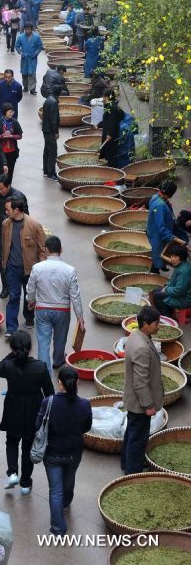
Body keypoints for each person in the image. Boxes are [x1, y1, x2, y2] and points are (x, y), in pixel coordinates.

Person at [0, 331, 54, 494]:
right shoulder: (40, 367)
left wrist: (10, 355)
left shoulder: (8, 366)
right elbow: (50, 393)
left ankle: (12, 473)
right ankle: (26, 483)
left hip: (13, 409)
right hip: (33, 412)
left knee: (12, 442)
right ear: (30, 347)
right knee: (28, 446)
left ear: (13, 348)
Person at [36, 366, 92, 536]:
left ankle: (58, 528)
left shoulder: (48, 403)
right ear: (78, 382)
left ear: (59, 383)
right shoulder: (84, 404)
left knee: (55, 491)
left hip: (52, 453)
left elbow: (38, 426)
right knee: (69, 479)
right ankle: (66, 503)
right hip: (74, 452)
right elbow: (86, 427)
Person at [27, 235, 84, 373]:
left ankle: (44, 370)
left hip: (42, 309)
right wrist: (80, 316)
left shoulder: (37, 268)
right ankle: (58, 361)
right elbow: (75, 295)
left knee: (43, 341)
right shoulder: (70, 270)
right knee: (60, 338)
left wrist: (31, 301)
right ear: (61, 249)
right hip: (62, 311)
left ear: (46, 250)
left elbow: (30, 288)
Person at [121, 306, 164, 475]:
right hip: (139, 403)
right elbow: (140, 382)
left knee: (131, 433)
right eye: (155, 323)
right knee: (138, 439)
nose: (158, 326)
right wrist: (148, 405)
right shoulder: (142, 348)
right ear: (145, 324)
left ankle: (126, 463)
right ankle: (133, 473)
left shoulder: (136, 336)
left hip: (133, 400)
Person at [2, 197, 46, 336]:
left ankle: (29, 317)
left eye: (8, 209)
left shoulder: (34, 225)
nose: (6, 212)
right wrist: (5, 263)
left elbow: (43, 248)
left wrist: (41, 267)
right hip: (12, 268)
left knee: (29, 296)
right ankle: (11, 328)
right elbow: (4, 244)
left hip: (30, 268)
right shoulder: (6, 224)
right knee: (14, 296)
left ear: (16, 210)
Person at [0, 174, 28, 299]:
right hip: (0, 234)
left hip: (17, 233)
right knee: (2, 261)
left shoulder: (19, 197)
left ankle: (20, 284)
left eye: (2, 188)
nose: (0, 191)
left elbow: (26, 215)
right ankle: (6, 286)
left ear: (8, 186)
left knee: (19, 259)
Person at [147, 181, 188, 273]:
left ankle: (162, 266)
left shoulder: (155, 197)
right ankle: (154, 273)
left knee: (161, 251)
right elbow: (160, 227)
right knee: (158, 253)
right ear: (170, 194)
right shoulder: (160, 206)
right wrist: (171, 237)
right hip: (158, 234)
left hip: (153, 230)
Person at [152, 244, 191, 317]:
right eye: (172, 256)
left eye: (175, 257)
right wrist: (167, 286)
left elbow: (178, 291)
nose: (172, 259)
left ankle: (167, 318)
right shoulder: (180, 265)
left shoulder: (184, 271)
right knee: (155, 291)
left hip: (185, 299)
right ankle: (169, 313)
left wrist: (166, 290)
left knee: (157, 296)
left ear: (181, 258)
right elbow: (173, 281)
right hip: (180, 294)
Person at [0, 102, 23, 182]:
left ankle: (8, 187)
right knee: (2, 171)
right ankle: (1, 187)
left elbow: (20, 136)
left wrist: (11, 136)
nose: (11, 113)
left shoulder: (15, 122)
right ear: (5, 112)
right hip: (1, 152)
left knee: (10, 171)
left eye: (12, 112)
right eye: (10, 112)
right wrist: (2, 136)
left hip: (12, 151)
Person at [15, 23, 43, 95]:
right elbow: (17, 46)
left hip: (32, 58)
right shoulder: (20, 37)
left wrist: (36, 53)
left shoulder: (36, 37)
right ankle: (26, 87)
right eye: (26, 29)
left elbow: (39, 46)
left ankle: (32, 89)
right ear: (24, 29)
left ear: (31, 29)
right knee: (24, 73)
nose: (27, 31)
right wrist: (20, 53)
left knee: (32, 73)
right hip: (24, 58)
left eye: (29, 29)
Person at [98, 88, 122, 168]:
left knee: (111, 155)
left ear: (109, 97)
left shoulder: (112, 108)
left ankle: (113, 171)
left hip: (111, 136)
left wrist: (109, 134)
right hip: (109, 134)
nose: (103, 99)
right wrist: (98, 125)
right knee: (108, 154)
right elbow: (107, 120)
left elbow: (113, 122)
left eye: (104, 97)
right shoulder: (110, 106)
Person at [42, 85, 61, 180]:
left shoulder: (48, 99)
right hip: (50, 130)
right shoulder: (53, 102)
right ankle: (51, 173)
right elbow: (54, 119)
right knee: (52, 151)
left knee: (47, 149)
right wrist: (56, 131)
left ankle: (46, 170)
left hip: (46, 129)